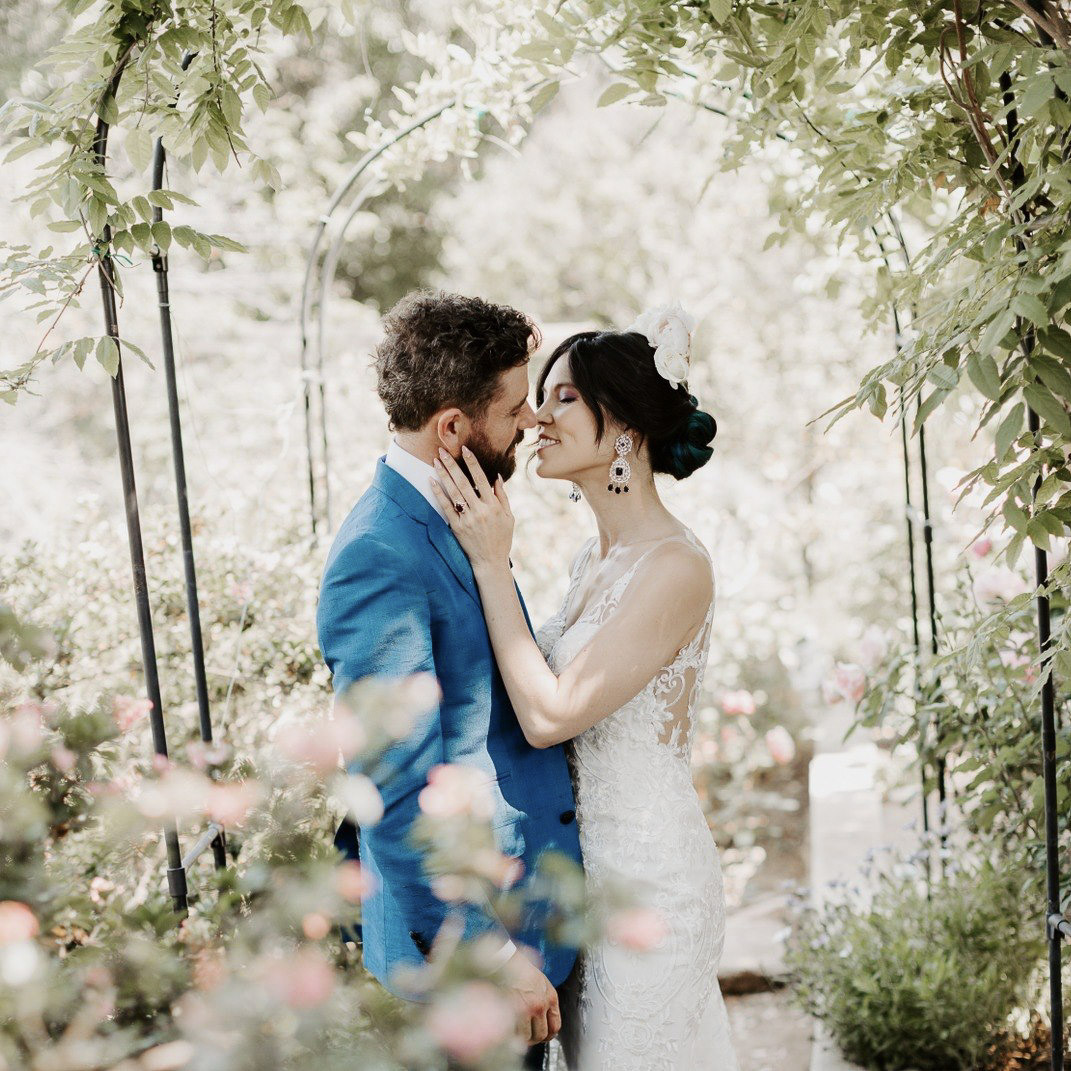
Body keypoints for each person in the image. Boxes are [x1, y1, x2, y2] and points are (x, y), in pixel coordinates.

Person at [430, 303, 741, 1071]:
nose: (537, 415)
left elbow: (550, 714)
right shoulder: (590, 562)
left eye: (564, 396)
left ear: (626, 424)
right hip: (578, 885)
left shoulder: (674, 565)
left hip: (647, 885)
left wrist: (491, 564)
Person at [316, 291, 583, 1067]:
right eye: (515, 406)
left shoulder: (455, 516)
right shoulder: (381, 554)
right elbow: (393, 791)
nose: (531, 420)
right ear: (452, 427)